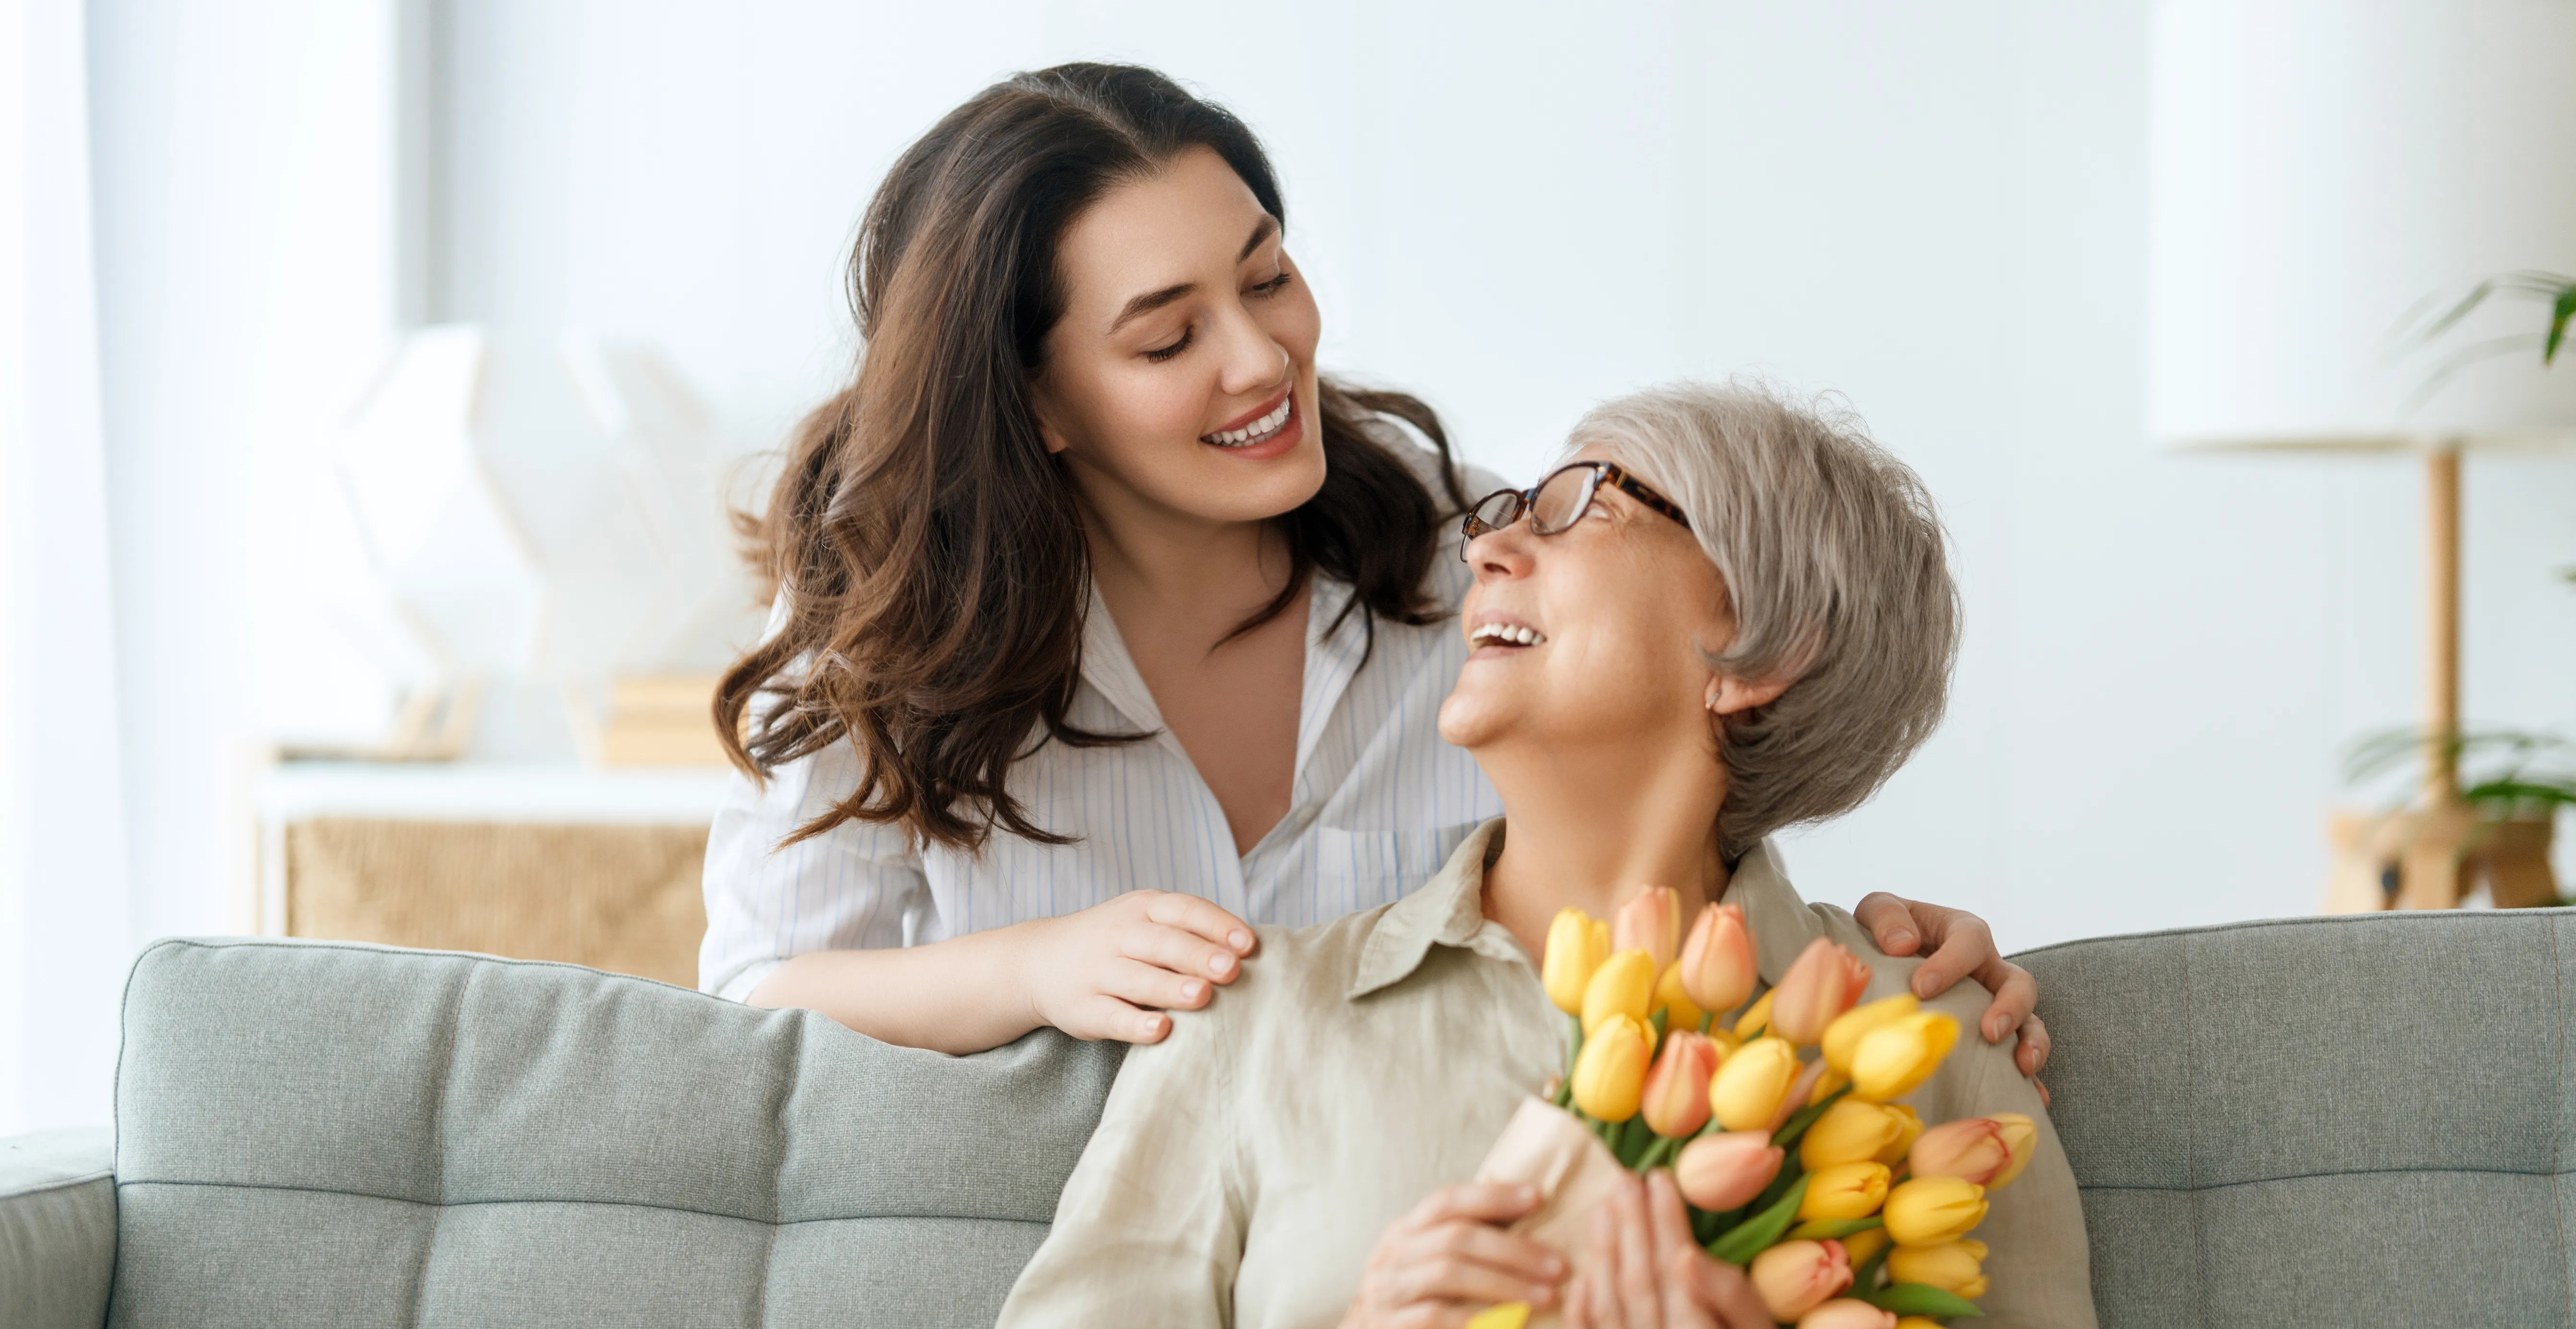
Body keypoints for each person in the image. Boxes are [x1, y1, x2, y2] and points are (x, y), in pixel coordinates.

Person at [698, 62, 2051, 1084]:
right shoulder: (887, 630)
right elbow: (751, 995)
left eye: (1267, 277)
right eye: (1168, 341)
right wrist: (1029, 967)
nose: (1260, 358)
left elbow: (1676, 847)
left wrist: (1888, 957)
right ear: (1035, 398)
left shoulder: (1489, 562)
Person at [946, 380, 2130, 1329]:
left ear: (1764, 652)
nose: (1488, 547)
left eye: (1583, 508)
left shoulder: (1924, 1027)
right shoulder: (1250, 1018)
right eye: (1508, 512)